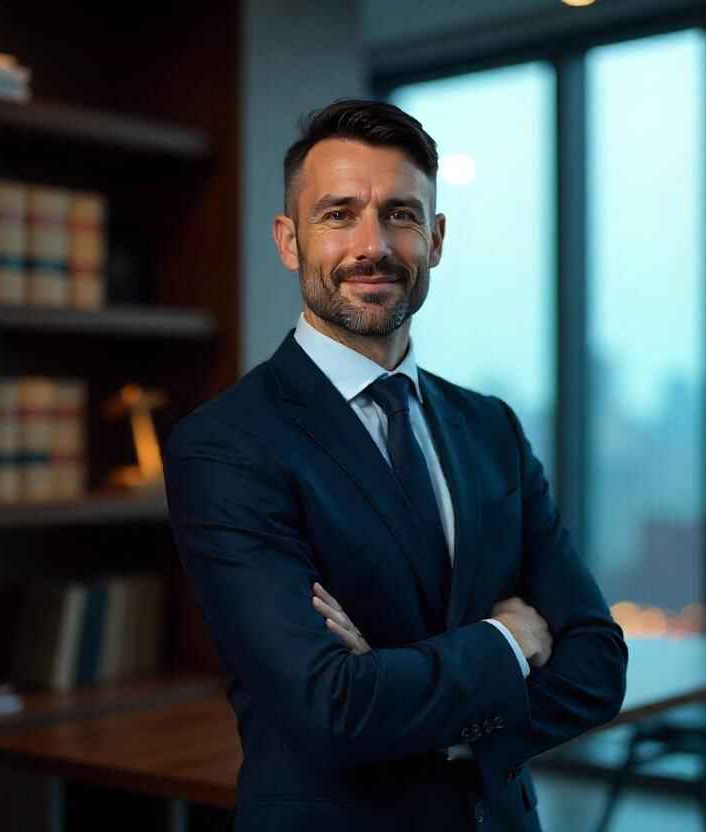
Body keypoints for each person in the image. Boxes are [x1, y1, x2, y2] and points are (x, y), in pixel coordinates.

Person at [163, 98, 628, 832]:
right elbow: (331, 706)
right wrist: (508, 642)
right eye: (338, 214)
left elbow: (597, 667)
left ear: (436, 239)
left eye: (402, 215)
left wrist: (410, 700)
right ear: (290, 241)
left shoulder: (490, 429)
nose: (372, 244)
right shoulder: (226, 446)